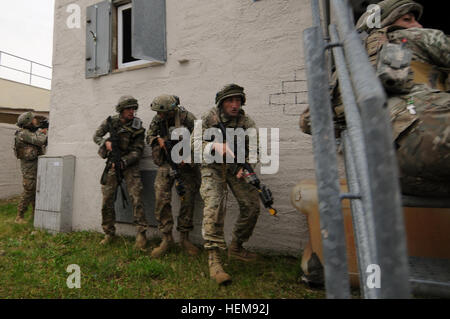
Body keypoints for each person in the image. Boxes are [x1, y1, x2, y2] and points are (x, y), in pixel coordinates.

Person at [301, 0, 450, 197]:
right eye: (408, 19)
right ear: (386, 23)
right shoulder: (410, 37)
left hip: (390, 172)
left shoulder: (344, 74)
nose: (418, 25)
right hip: (432, 134)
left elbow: (308, 122)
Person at [195, 84, 261, 285]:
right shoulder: (207, 118)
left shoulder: (245, 121)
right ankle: (214, 259)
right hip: (212, 166)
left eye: (238, 101)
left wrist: (247, 167)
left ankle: (237, 247)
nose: (234, 105)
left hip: (236, 167)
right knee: (214, 206)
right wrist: (214, 145)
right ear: (221, 103)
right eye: (230, 101)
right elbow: (194, 146)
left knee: (252, 205)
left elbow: (254, 149)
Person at [146, 94, 201, 258]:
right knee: (161, 198)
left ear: (171, 110)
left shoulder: (188, 118)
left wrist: (188, 158)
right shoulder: (158, 119)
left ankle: (184, 238)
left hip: (186, 167)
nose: (159, 116)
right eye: (158, 113)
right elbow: (149, 135)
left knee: (188, 199)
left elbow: (200, 140)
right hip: (165, 163)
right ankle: (166, 238)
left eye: (162, 113)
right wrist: (157, 139)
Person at [93, 95, 148, 249]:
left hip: (130, 165)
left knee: (136, 198)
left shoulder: (138, 127)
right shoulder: (110, 122)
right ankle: (109, 232)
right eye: (128, 109)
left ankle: (141, 234)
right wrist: (106, 143)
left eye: (133, 109)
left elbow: (138, 151)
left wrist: (124, 162)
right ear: (121, 110)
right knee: (107, 198)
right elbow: (96, 136)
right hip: (112, 164)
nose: (132, 111)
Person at [13, 112, 48, 224]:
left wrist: (40, 130)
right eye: (33, 120)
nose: (35, 121)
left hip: (35, 164)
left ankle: (35, 215)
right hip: (29, 167)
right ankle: (19, 216)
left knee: (36, 190)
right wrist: (43, 132)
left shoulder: (29, 132)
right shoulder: (23, 134)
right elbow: (40, 141)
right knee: (29, 190)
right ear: (27, 122)